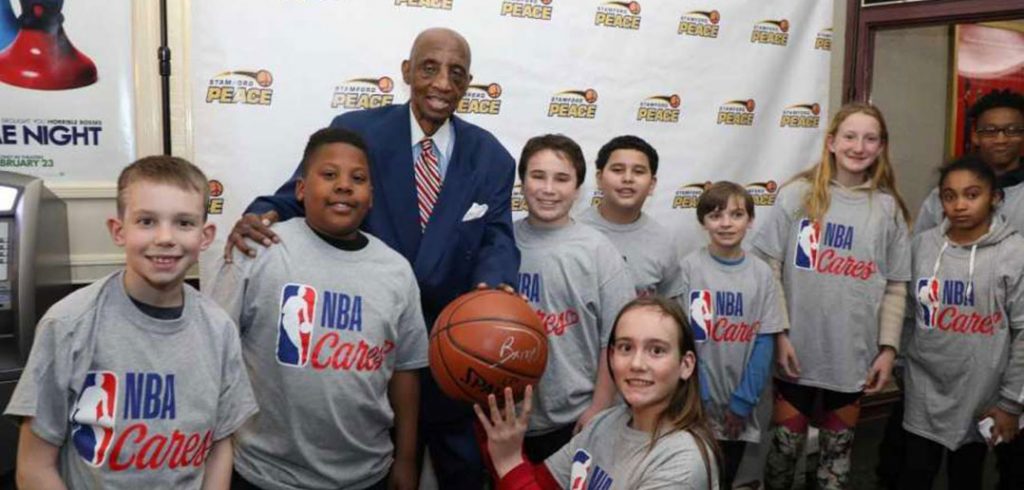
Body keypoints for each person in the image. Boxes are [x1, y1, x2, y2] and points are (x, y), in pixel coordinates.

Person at [222, 28, 518, 488]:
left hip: (450, 354)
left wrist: (491, 292)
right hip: (358, 350)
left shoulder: (493, 157)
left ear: (468, 83)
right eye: (429, 68)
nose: (441, 83)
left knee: (461, 473)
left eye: (455, 74)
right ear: (406, 72)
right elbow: (300, 193)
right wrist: (262, 213)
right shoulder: (358, 130)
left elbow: (498, 239)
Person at [5, 156, 258, 489]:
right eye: (147, 221)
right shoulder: (67, 325)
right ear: (118, 230)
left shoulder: (219, 330)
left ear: (205, 236)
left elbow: (220, 446)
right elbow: (34, 467)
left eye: (184, 223)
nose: (166, 237)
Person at [207, 128, 428, 490]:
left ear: (370, 197)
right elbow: (212, 353)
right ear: (300, 190)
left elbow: (405, 371)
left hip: (366, 474)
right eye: (328, 175)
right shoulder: (259, 250)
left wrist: (405, 458)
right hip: (264, 473)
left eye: (358, 179)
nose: (344, 185)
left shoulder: (396, 271)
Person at [752, 103, 912, 489]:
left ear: (881, 147)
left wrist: (888, 350)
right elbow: (768, 265)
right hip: (796, 355)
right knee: (783, 453)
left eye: (870, 138)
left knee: (836, 460)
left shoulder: (888, 209)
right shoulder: (798, 197)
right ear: (831, 143)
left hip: (852, 358)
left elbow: (895, 285)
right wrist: (780, 333)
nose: (859, 146)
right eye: (850, 136)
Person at [474, 296, 720, 489]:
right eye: (625, 347)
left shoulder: (681, 464)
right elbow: (539, 482)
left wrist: (509, 463)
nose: (636, 363)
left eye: (656, 350)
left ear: (686, 365)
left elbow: (518, 478)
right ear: (611, 356)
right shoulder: (604, 423)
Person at [899, 156, 1024, 490]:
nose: (960, 205)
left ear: (995, 197)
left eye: (972, 194)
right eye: (949, 196)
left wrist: (1011, 402)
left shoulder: (1014, 253)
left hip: (982, 395)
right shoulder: (923, 247)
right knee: (914, 474)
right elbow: (908, 314)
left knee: (966, 476)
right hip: (924, 389)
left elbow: (1023, 332)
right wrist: (900, 365)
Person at [511, 134, 635, 462]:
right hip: (507, 420)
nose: (548, 189)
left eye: (562, 179)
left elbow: (618, 339)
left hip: (575, 419)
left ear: (578, 189)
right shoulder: (500, 243)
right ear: (521, 182)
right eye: (538, 176)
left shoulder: (598, 252)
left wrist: (599, 406)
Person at [682, 181, 785, 489]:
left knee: (725, 478)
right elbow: (683, 340)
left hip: (738, 409)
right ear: (703, 222)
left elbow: (765, 340)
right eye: (715, 215)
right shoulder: (689, 268)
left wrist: (742, 402)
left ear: (750, 220)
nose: (726, 223)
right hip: (695, 406)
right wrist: (696, 396)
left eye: (736, 214)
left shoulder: (761, 273)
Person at [576, 135, 685, 299]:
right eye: (618, 170)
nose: (627, 178)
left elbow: (671, 307)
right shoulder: (574, 231)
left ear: (652, 184)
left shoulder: (663, 241)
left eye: (638, 171)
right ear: (599, 179)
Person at [914, 88, 1024, 235]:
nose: (1001, 140)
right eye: (990, 131)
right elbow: (922, 247)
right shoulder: (948, 193)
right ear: (975, 136)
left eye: (1012, 130)